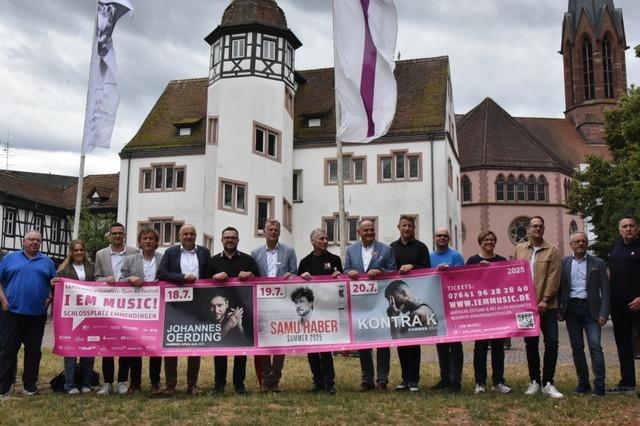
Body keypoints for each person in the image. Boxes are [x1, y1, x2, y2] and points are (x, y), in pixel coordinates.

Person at [0, 230, 56, 398]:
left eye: (37, 240)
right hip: (12, 312)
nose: (34, 242)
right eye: (31, 239)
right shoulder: (9, 258)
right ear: (23, 241)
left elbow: (54, 285)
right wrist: (3, 302)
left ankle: (30, 385)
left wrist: (49, 298)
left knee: (33, 351)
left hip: (37, 315)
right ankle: (4, 386)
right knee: (7, 350)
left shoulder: (47, 261)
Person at [157, 224, 211, 396]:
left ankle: (192, 384)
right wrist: (182, 278)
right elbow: (161, 273)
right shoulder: (171, 252)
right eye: (185, 234)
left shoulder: (204, 252)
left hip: (198, 303)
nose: (188, 236)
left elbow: (209, 274)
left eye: (191, 234)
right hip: (175, 304)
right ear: (180, 236)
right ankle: (170, 385)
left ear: (196, 236)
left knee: (195, 342)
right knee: (171, 342)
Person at [344, 219, 397, 391]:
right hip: (360, 303)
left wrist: (381, 272)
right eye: (365, 230)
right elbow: (345, 271)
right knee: (363, 341)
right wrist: (350, 272)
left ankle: (382, 380)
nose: (369, 233)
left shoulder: (386, 249)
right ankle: (367, 380)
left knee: (383, 340)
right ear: (358, 232)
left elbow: (394, 271)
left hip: (381, 302)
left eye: (372, 229)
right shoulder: (350, 250)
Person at [513, 216, 563, 399]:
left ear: (544, 229)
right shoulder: (519, 249)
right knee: (531, 344)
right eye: (534, 226)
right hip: (526, 307)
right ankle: (534, 381)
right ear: (528, 229)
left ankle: (548, 382)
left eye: (540, 226)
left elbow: (553, 277)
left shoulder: (553, 251)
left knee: (552, 343)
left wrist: (545, 299)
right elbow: (514, 274)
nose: (537, 229)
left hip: (547, 307)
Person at [559, 231, 609, 397]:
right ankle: (583, 383)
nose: (580, 244)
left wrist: (604, 312)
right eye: (577, 241)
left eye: (583, 241)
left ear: (587, 244)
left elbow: (605, 290)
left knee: (595, 347)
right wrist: (560, 310)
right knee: (577, 348)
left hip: (591, 311)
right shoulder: (564, 263)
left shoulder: (598, 263)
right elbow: (559, 288)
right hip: (571, 310)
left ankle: (600, 385)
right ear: (571, 244)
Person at [210, 226, 258, 395]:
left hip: (242, 310)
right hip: (219, 312)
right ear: (221, 240)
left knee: (241, 348)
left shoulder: (248, 260)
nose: (230, 240)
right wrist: (213, 277)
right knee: (219, 348)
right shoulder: (213, 261)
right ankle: (219, 385)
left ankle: (239, 384)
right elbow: (202, 284)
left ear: (238, 240)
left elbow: (259, 279)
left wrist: (250, 274)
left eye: (233, 237)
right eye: (227, 237)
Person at [251, 219, 297, 392]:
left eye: (276, 230)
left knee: (280, 340)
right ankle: (265, 378)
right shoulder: (255, 253)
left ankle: (275, 379)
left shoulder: (289, 251)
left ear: (279, 232)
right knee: (264, 339)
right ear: (264, 232)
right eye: (270, 230)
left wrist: (291, 276)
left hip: (283, 302)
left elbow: (295, 273)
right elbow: (253, 275)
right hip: (262, 302)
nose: (273, 232)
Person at [118, 227, 164, 395]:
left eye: (151, 238)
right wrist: (129, 278)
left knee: (156, 347)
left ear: (156, 242)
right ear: (140, 241)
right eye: (145, 238)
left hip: (158, 308)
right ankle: (135, 382)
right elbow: (120, 280)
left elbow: (169, 276)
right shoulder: (130, 260)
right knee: (135, 346)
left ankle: (155, 382)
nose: (148, 241)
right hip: (136, 309)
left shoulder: (163, 259)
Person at [94, 223, 137, 396]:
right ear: (109, 236)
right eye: (114, 233)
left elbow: (137, 274)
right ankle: (107, 383)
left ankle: (121, 382)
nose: (117, 236)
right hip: (108, 304)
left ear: (124, 235)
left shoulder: (134, 252)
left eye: (120, 233)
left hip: (128, 304)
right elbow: (96, 277)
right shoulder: (100, 254)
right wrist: (105, 280)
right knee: (108, 344)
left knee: (125, 343)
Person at [466, 230, 512, 395]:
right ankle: (480, 382)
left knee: (498, 347)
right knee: (480, 347)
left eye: (492, 239)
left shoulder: (501, 261)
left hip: (497, 309)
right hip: (480, 310)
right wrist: (479, 270)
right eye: (486, 239)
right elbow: (467, 282)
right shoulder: (473, 261)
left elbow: (506, 282)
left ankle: (498, 381)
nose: (489, 242)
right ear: (480, 242)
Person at [299, 228, 342, 395]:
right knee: (311, 349)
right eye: (321, 239)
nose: (325, 241)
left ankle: (329, 383)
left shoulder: (335, 259)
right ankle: (317, 382)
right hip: (310, 314)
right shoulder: (305, 262)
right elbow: (296, 286)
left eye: (326, 238)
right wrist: (301, 277)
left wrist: (340, 276)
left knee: (325, 349)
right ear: (313, 242)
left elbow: (342, 284)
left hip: (328, 311)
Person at [390, 215, 430, 393]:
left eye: (410, 226)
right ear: (398, 227)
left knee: (414, 342)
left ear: (414, 228)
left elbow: (427, 269)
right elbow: (389, 270)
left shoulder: (421, 247)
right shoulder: (392, 248)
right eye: (404, 225)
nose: (407, 228)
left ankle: (414, 379)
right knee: (401, 340)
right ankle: (405, 379)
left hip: (415, 298)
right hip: (399, 302)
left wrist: (413, 267)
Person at [51, 239, 96, 395]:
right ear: (71, 252)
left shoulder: (92, 267)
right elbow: (56, 290)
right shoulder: (63, 269)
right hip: (70, 316)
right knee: (71, 351)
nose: (79, 253)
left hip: (90, 314)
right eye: (75, 250)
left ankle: (86, 383)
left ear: (85, 251)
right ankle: (69, 384)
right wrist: (54, 283)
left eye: (81, 250)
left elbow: (99, 285)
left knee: (88, 350)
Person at [607, 216, 640, 395]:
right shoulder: (615, 247)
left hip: (638, 304)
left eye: (631, 226)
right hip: (618, 305)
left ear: (637, 229)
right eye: (624, 226)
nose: (628, 229)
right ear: (620, 230)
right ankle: (627, 383)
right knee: (623, 344)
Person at [429, 227, 464, 393]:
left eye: (445, 236)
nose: (442, 238)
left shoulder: (456, 256)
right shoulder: (429, 257)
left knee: (455, 345)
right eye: (439, 235)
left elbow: (461, 278)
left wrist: (448, 272)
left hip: (453, 305)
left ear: (449, 239)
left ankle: (456, 380)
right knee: (441, 343)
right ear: (434, 238)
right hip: (436, 304)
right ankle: (445, 378)